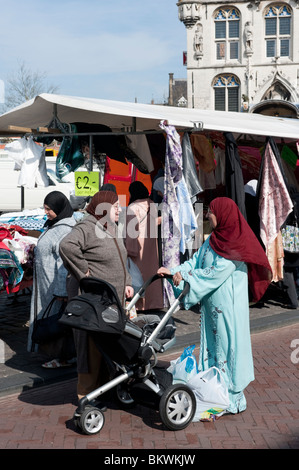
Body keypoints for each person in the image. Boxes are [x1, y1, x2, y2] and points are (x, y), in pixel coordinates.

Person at [158, 197, 272, 416]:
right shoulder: (212, 240)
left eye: (211, 212)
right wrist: (173, 271)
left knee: (229, 350)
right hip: (212, 310)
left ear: (224, 214)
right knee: (213, 348)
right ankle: (215, 394)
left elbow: (215, 273)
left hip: (229, 311)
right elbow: (195, 262)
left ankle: (232, 399)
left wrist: (186, 277)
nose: (208, 216)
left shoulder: (236, 245)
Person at [59, 190, 133, 400]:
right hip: (94, 304)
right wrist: (83, 271)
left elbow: (122, 257)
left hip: (112, 301)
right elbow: (67, 246)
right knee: (90, 347)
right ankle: (87, 395)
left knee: (109, 344)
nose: (119, 210)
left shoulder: (112, 227)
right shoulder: (87, 226)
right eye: (116, 206)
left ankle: (105, 389)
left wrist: (127, 282)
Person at [28, 191, 77, 368]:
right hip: (46, 284)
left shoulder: (65, 230)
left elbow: (65, 262)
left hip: (54, 287)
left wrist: (62, 291)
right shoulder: (54, 225)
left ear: (59, 208)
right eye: (45, 208)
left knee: (56, 322)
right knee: (51, 320)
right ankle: (54, 354)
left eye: (49, 209)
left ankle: (63, 356)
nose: (45, 212)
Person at [125, 181, 163, 311]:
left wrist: (129, 249)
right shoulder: (151, 204)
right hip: (151, 245)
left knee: (138, 275)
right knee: (152, 273)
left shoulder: (132, 208)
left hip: (138, 245)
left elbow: (131, 232)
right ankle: (154, 303)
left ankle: (140, 305)